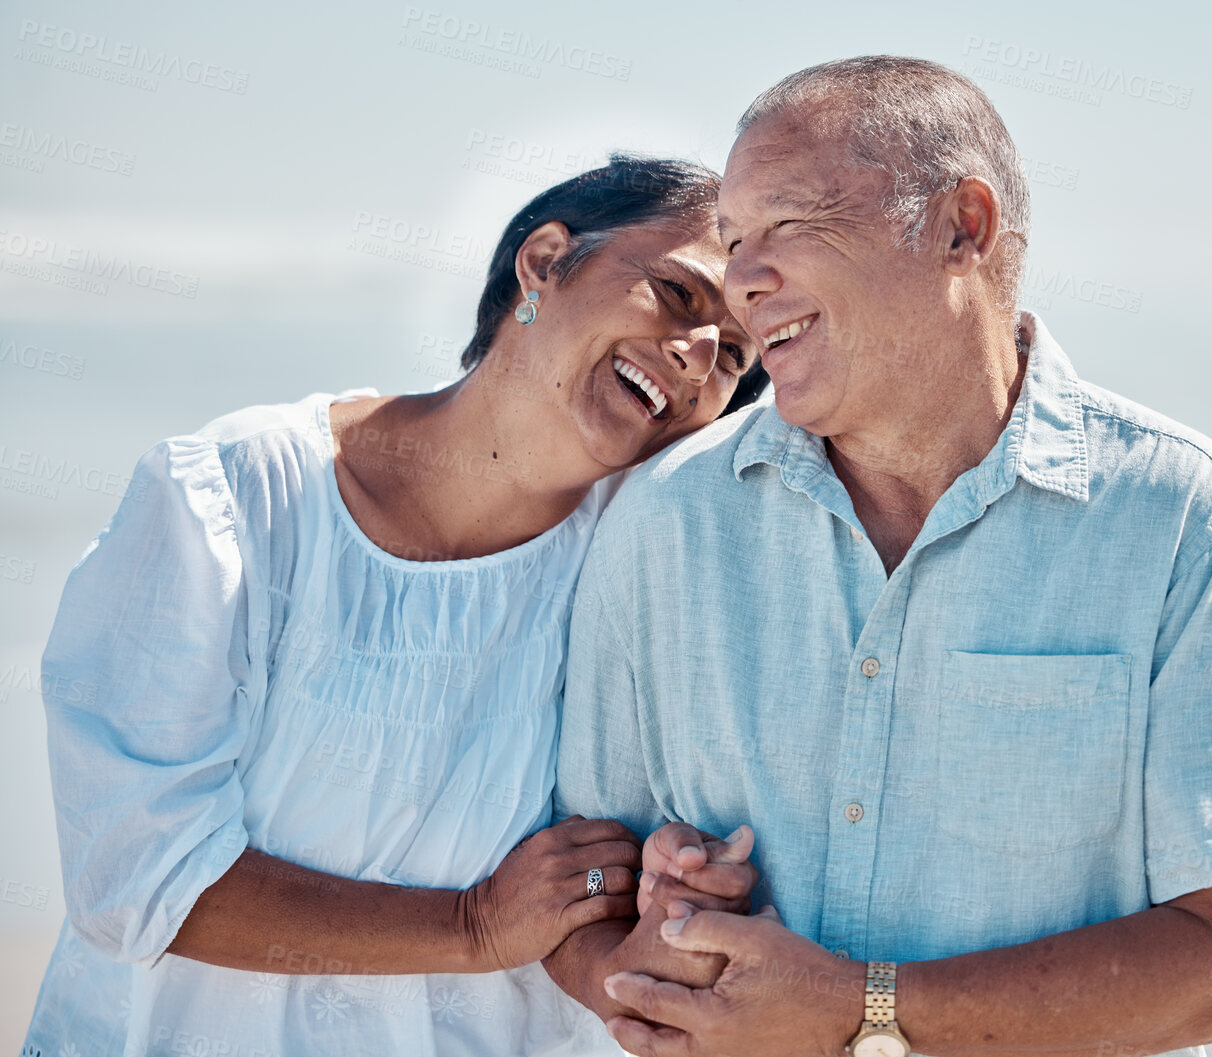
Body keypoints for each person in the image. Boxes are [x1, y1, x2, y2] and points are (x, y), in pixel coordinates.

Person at [546, 57, 1212, 1057]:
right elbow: (586, 909)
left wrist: (862, 1007)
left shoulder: (1186, 519)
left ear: (961, 226)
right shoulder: (662, 522)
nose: (742, 281)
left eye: (788, 225)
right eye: (734, 239)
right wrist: (664, 953)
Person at [23, 154, 764, 1057]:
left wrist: (665, 903)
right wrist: (471, 925)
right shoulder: (235, 496)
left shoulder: (645, 566)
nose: (697, 360)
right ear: (542, 262)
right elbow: (135, 878)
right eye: (678, 296)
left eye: (734, 357)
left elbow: (585, 896)